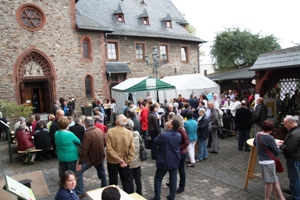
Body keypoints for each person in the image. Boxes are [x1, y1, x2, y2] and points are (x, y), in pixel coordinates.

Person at [75, 117, 107, 198]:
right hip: (100, 156)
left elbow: (84, 149)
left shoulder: (87, 134)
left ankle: (80, 192)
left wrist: (80, 163)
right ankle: (105, 187)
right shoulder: (99, 130)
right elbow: (104, 141)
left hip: (91, 158)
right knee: (102, 172)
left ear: (86, 124)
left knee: (78, 172)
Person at [253, 120, 285, 200]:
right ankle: (266, 198)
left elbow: (255, 144)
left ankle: (282, 197)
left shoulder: (258, 134)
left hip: (263, 160)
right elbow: (277, 152)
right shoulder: (270, 138)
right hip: (269, 162)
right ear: (271, 129)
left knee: (274, 179)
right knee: (270, 182)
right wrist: (278, 146)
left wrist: (274, 144)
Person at [150, 118, 181, 200]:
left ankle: (157, 197)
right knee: (173, 179)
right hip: (174, 160)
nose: (169, 121)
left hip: (164, 160)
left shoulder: (164, 135)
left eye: (171, 121)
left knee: (158, 179)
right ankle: (172, 196)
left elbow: (156, 141)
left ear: (172, 125)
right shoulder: (178, 135)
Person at [106, 114, 134, 193]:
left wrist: (118, 158)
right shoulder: (129, 133)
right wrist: (127, 161)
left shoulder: (110, 131)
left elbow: (109, 148)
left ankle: (112, 197)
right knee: (126, 182)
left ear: (117, 122)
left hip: (112, 160)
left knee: (113, 182)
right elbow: (132, 149)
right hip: (124, 161)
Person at [278, 116, 300, 200]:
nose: (285, 126)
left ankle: (296, 196)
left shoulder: (294, 134)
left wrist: (281, 146)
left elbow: (289, 148)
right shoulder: (296, 131)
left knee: (294, 177)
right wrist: (285, 142)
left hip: (293, 158)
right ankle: (294, 190)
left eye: (286, 124)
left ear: (291, 123)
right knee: (293, 176)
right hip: (296, 157)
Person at [126, 119, 143, 195]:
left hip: (129, 162)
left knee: (129, 179)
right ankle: (139, 193)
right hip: (137, 160)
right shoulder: (137, 134)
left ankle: (131, 193)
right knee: (138, 178)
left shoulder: (126, 137)